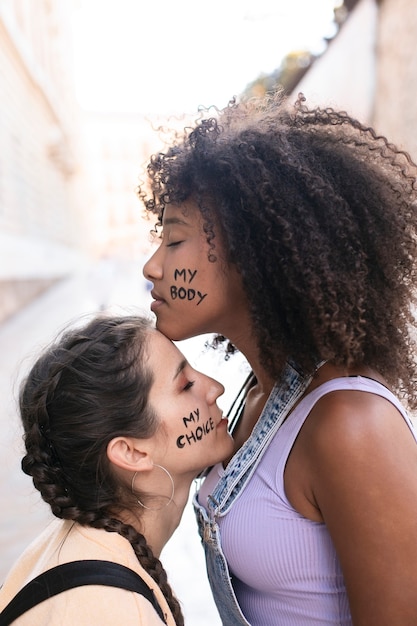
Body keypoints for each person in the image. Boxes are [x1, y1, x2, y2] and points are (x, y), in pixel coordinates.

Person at [140, 91, 417, 625]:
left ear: (253, 252)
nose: (153, 267)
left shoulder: (349, 424)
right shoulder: (254, 394)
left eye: (174, 241)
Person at [0, 314, 234, 625]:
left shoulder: (70, 551)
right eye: (186, 385)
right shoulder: (119, 610)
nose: (215, 388)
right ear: (132, 452)